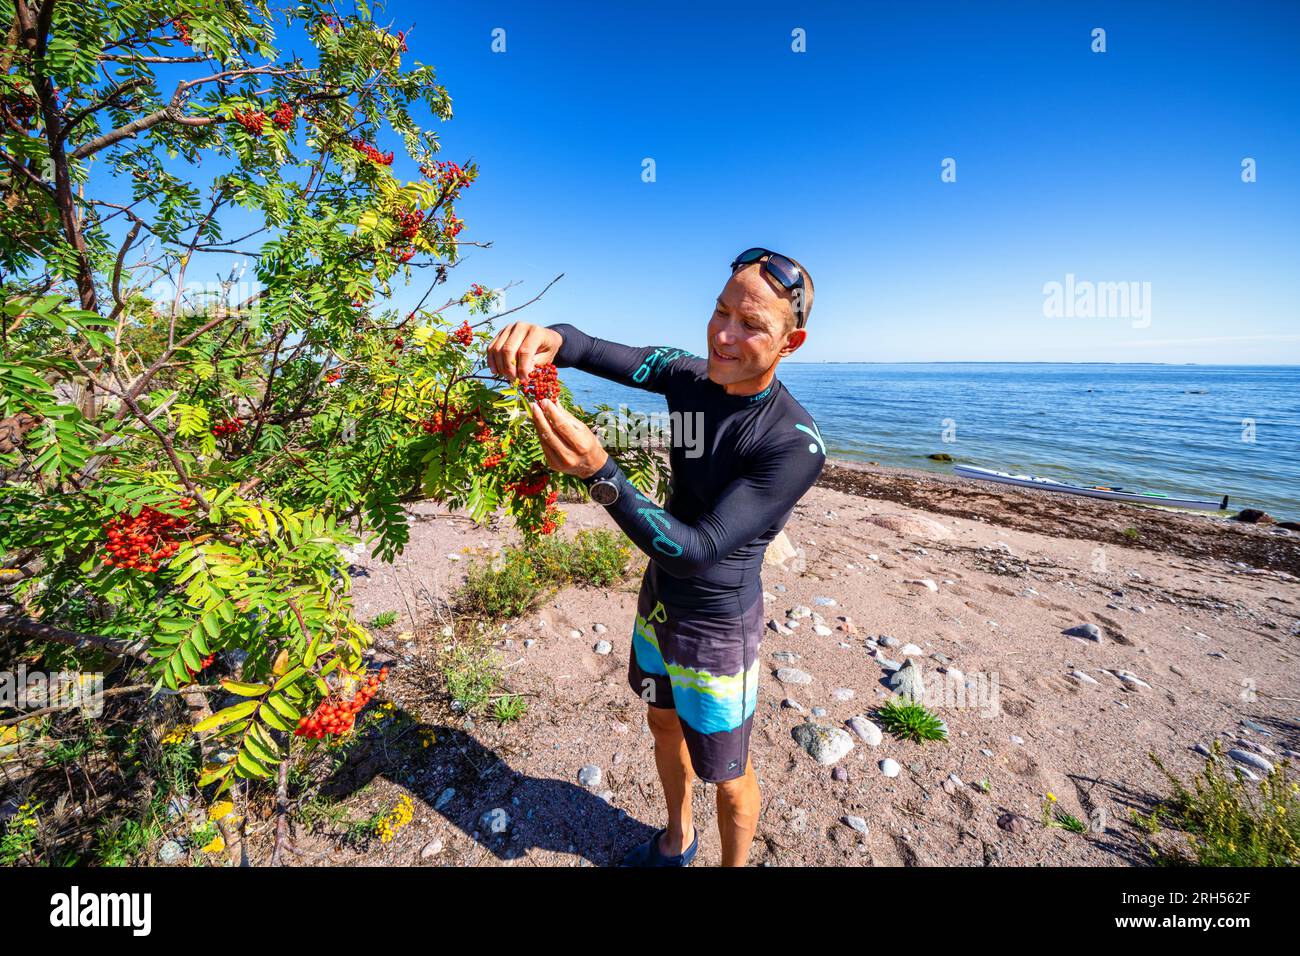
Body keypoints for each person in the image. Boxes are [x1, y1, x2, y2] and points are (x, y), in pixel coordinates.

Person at [486, 248, 825, 867]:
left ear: (791, 342)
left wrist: (599, 471)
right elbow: (585, 345)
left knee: (728, 772)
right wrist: (544, 338)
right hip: (659, 601)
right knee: (662, 723)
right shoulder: (689, 376)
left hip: (719, 624)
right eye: (721, 312)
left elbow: (697, 551)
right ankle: (678, 835)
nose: (725, 335)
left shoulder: (793, 444)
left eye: (752, 326)